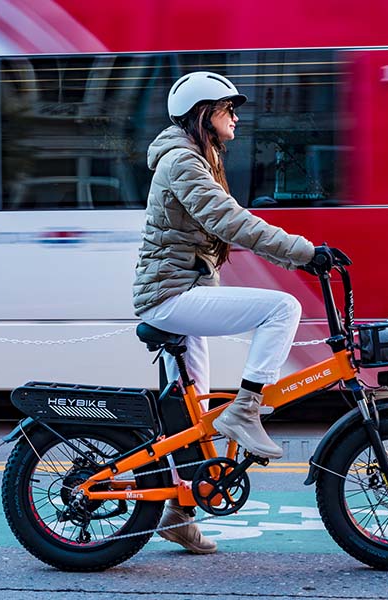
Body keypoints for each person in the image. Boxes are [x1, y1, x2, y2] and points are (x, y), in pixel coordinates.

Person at [132, 71, 324, 554]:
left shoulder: (201, 156)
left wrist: (297, 257)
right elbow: (229, 219)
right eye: (227, 109)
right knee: (282, 308)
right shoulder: (182, 162)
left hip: (182, 292)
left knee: (189, 410)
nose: (236, 116)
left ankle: (178, 511)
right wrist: (305, 252)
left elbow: (229, 224)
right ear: (204, 116)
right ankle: (246, 408)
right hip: (171, 297)